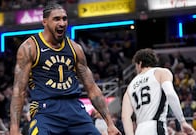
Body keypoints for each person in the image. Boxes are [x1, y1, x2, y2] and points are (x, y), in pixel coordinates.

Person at [10, 1, 121, 135]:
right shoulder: (29, 48)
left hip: (74, 108)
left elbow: (92, 88)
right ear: (45, 22)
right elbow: (19, 91)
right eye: (56, 19)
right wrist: (14, 128)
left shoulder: (75, 48)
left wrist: (109, 123)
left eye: (64, 19)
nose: (62, 23)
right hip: (46, 110)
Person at [121, 48, 196, 135]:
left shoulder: (130, 86)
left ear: (140, 63)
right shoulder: (161, 72)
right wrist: (182, 121)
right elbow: (170, 94)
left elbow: (125, 117)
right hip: (155, 127)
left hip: (140, 130)